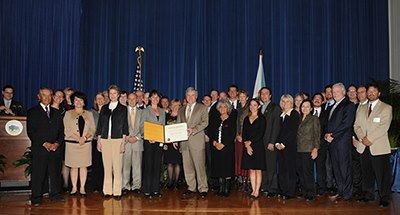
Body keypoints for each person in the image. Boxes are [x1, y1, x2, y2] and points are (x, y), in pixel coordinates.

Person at [354, 84, 392, 208]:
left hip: (379, 147)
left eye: (374, 91)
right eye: (369, 91)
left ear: (379, 93)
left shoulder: (386, 108)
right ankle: (368, 194)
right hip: (363, 146)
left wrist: (369, 139)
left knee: (382, 174)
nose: (371, 93)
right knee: (367, 173)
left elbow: (384, 126)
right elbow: (356, 126)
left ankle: (384, 197)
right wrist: (362, 138)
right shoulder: (361, 108)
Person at [27, 87, 64, 206]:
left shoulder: (57, 113)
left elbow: (61, 132)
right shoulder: (32, 112)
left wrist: (57, 143)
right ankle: (36, 198)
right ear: (39, 96)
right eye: (44, 95)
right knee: (38, 174)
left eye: (49, 95)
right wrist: (45, 143)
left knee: (55, 173)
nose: (47, 98)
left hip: (55, 149)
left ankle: (55, 195)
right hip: (40, 149)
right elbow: (31, 132)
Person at [96, 85, 129, 199]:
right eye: (111, 93)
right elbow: (100, 125)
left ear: (118, 94)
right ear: (108, 95)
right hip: (105, 140)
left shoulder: (123, 108)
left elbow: (125, 126)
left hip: (117, 139)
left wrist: (123, 142)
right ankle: (107, 191)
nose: (112, 95)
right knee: (107, 166)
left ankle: (117, 192)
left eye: (115, 93)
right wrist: (99, 141)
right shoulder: (104, 108)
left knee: (117, 166)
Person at [324, 83, 356, 201]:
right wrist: (327, 134)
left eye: (337, 91)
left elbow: (346, 124)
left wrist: (333, 135)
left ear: (343, 92)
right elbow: (330, 124)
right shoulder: (334, 105)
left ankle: (347, 194)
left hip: (342, 142)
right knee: (336, 169)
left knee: (344, 168)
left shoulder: (349, 105)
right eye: (333, 91)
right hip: (333, 142)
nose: (334, 93)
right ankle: (341, 191)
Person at [178, 87, 209, 199]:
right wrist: (176, 139)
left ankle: (203, 188)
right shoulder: (181, 109)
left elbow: (205, 122)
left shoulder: (202, 108)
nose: (190, 97)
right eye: (188, 95)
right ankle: (191, 187)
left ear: (196, 96)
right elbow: (178, 125)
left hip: (197, 142)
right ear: (185, 97)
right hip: (184, 142)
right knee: (188, 167)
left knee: (200, 166)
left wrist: (194, 129)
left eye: (192, 95)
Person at [64, 91, 96, 196]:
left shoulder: (89, 114)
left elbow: (92, 129)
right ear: (73, 102)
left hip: (85, 144)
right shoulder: (68, 113)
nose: (78, 102)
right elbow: (66, 129)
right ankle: (74, 188)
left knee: (83, 166)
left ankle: (82, 188)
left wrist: (85, 137)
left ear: (84, 102)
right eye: (76, 100)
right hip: (72, 144)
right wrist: (78, 138)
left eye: (80, 100)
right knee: (73, 167)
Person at [208, 99, 236, 197]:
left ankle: (226, 189)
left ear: (228, 108)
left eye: (224, 107)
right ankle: (220, 189)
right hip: (216, 147)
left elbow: (232, 134)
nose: (222, 108)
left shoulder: (231, 119)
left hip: (227, 148)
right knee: (219, 168)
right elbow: (211, 132)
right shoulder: (215, 119)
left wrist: (223, 144)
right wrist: (215, 142)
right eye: (220, 107)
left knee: (227, 168)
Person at [276, 94, 300, 200]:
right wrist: (277, 143)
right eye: (283, 101)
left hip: (289, 147)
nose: (285, 104)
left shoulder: (294, 114)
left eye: (288, 102)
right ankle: (283, 189)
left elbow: (292, 131)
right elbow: (278, 132)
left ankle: (290, 192)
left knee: (290, 169)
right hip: (280, 147)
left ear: (291, 103)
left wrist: (283, 144)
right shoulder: (281, 115)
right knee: (282, 169)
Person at [142, 90, 165, 198]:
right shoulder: (145, 111)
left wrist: (164, 140)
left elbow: (163, 126)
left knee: (157, 165)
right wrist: (147, 136)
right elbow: (141, 126)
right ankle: (147, 190)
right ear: (150, 98)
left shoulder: (162, 111)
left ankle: (155, 189)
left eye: (157, 97)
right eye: (153, 97)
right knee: (148, 165)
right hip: (149, 142)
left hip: (159, 142)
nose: (155, 99)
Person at [241, 99, 266, 199]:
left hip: (258, 146)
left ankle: (257, 191)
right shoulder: (246, 118)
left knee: (258, 170)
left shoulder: (262, 118)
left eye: (255, 105)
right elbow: (244, 133)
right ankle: (253, 190)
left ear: (259, 106)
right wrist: (246, 145)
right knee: (251, 169)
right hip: (248, 147)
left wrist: (250, 143)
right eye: (251, 105)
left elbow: (260, 134)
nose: (252, 107)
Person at [259, 87, 281, 197]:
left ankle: (272, 188)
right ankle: (265, 186)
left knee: (271, 166)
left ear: (270, 95)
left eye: (266, 94)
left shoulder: (275, 107)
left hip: (270, 142)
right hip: (260, 142)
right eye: (262, 94)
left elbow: (276, 126)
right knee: (264, 166)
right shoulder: (259, 108)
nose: (264, 96)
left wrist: (272, 142)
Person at [297, 99, 320, 201]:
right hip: (298, 149)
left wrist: (315, 148)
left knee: (308, 172)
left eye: (307, 106)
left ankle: (311, 193)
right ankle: (304, 191)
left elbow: (317, 134)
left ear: (311, 108)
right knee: (300, 171)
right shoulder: (298, 118)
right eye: (303, 106)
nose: (304, 108)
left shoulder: (314, 118)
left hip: (308, 149)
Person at [122, 93, 144, 195]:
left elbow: (144, 128)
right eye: (129, 99)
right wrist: (127, 137)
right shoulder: (122, 111)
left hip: (138, 142)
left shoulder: (142, 112)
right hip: (125, 142)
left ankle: (136, 186)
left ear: (137, 100)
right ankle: (125, 186)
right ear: (127, 100)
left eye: (133, 99)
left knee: (137, 166)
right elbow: (120, 126)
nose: (131, 100)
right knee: (125, 166)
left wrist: (136, 137)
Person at [312, 93, 330, 195]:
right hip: (308, 145)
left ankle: (321, 188)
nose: (317, 100)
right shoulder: (307, 112)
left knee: (320, 167)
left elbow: (328, 128)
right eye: (315, 98)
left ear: (323, 101)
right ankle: (309, 187)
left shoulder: (327, 113)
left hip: (321, 144)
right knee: (308, 168)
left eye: (319, 99)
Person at [163, 99, 183, 189]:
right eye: (174, 105)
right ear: (170, 106)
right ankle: (170, 181)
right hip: (169, 143)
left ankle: (177, 181)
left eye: (178, 105)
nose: (175, 107)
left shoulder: (182, 117)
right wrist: (164, 142)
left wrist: (178, 141)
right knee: (170, 163)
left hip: (179, 143)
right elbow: (163, 130)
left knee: (178, 163)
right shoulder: (166, 116)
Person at [90, 92, 106, 193]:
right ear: (95, 101)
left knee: (105, 164)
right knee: (96, 163)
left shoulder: (108, 111)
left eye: (101, 98)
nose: (99, 100)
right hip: (95, 140)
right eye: (97, 98)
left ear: (105, 100)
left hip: (106, 141)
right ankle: (96, 185)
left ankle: (105, 185)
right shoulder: (91, 112)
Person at [235, 90, 250, 189]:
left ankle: (247, 180)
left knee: (246, 158)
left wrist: (244, 136)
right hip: (238, 137)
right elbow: (235, 124)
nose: (242, 98)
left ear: (247, 98)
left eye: (243, 96)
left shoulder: (250, 108)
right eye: (240, 96)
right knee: (238, 157)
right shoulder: (236, 108)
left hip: (247, 138)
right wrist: (237, 135)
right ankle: (239, 178)